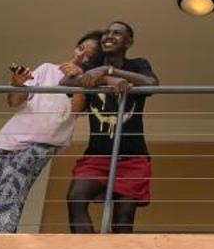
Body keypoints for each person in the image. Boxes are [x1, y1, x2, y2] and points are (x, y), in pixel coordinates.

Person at [0, 31, 101, 234]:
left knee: (11, 190)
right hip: (7, 139)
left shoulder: (87, 82)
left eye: (89, 55)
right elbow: (14, 102)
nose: (81, 55)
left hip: (42, 143)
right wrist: (17, 83)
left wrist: (77, 77)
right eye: (81, 48)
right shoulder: (47, 68)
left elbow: (75, 109)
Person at [65, 19, 159, 233]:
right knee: (76, 197)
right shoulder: (90, 67)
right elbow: (66, 84)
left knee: (123, 218)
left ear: (129, 42)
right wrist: (107, 80)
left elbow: (152, 84)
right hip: (97, 156)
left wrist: (109, 71)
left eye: (116, 33)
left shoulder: (138, 64)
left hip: (133, 158)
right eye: (106, 33)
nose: (109, 36)